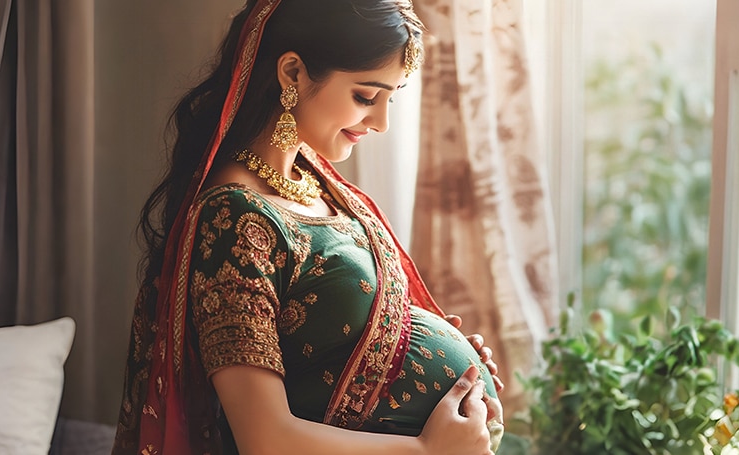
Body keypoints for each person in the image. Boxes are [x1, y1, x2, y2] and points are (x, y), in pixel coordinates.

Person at [111, 1, 506, 454]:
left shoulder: (319, 184)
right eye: (365, 97)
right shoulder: (236, 220)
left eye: (390, 99)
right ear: (293, 73)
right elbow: (265, 437)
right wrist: (427, 449)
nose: (381, 123)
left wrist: (429, 348)